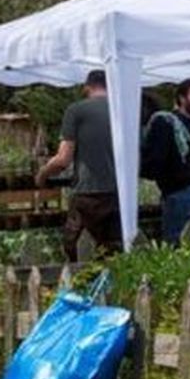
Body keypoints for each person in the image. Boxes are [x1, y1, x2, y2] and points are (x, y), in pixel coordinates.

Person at [37, 70, 120, 261]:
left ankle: (81, 286)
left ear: (87, 87)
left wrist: (42, 174)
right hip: (118, 194)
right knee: (112, 251)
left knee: (76, 248)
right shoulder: (123, 109)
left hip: (88, 193)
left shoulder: (76, 110)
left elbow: (63, 159)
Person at [143, 78, 190, 244]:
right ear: (181, 98)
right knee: (180, 241)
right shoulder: (167, 123)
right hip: (178, 189)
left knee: (182, 241)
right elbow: (158, 158)